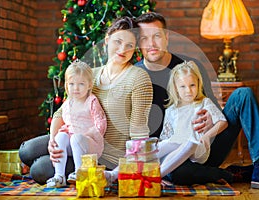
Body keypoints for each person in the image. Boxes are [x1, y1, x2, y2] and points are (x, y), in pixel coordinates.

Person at [135, 12, 259, 190]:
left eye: (157, 36)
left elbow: (212, 108)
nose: (151, 44)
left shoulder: (190, 67)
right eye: (144, 38)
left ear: (167, 37)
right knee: (176, 173)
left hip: (206, 144)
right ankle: (232, 174)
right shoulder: (134, 76)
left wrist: (210, 121)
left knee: (243, 94)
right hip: (172, 154)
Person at [19, 16, 153, 185]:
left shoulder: (139, 78)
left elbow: (139, 134)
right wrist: (53, 140)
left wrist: (121, 170)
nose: (122, 49)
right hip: (73, 135)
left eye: (129, 46)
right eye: (117, 42)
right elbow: (63, 111)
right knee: (26, 151)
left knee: (39, 169)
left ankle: (71, 169)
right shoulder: (91, 74)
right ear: (106, 40)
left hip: (104, 154)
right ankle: (59, 155)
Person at [104, 60, 228, 185]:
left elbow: (222, 122)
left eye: (192, 85)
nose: (188, 91)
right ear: (176, 88)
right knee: (157, 149)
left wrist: (207, 136)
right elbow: (166, 137)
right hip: (178, 148)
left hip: (198, 149)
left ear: (198, 84)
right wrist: (156, 146)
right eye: (183, 86)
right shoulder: (172, 110)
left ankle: (155, 176)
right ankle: (114, 174)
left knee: (182, 143)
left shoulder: (203, 103)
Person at [46, 60, 107, 188]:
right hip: (72, 142)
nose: (76, 88)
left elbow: (101, 124)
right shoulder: (69, 102)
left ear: (89, 85)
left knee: (76, 138)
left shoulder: (91, 101)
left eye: (81, 84)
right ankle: (59, 176)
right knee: (60, 137)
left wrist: (85, 134)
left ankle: (80, 172)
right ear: (67, 85)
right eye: (72, 84)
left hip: (89, 143)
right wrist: (58, 135)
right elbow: (63, 118)